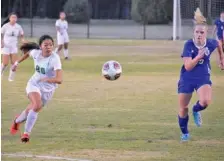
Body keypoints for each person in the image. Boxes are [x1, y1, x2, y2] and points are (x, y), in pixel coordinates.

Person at [177, 8, 224, 142]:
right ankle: (185, 133)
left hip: (203, 76)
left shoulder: (210, 43)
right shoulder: (188, 45)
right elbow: (188, 66)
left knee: (205, 101)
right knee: (183, 108)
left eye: (201, 32)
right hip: (187, 77)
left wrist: (221, 59)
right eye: (196, 32)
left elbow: (219, 44)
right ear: (193, 32)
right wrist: (198, 57)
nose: (199, 35)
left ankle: (196, 109)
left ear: (206, 33)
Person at [10, 35, 63, 143]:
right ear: (40, 46)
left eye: (51, 45)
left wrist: (49, 79)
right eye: (46, 45)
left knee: (33, 108)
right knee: (37, 105)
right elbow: (27, 54)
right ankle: (26, 134)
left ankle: (17, 121)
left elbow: (59, 79)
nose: (48, 47)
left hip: (48, 90)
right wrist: (16, 63)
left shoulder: (55, 58)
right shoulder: (36, 53)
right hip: (34, 84)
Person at [1, 12, 25, 81]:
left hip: (14, 47)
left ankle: (11, 78)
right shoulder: (5, 26)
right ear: (9, 18)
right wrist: (1, 42)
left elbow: (22, 35)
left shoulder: (18, 26)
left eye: (15, 17)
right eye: (12, 17)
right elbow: (1, 34)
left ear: (17, 19)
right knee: (5, 63)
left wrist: (23, 40)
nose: (14, 19)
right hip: (5, 46)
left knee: (14, 63)